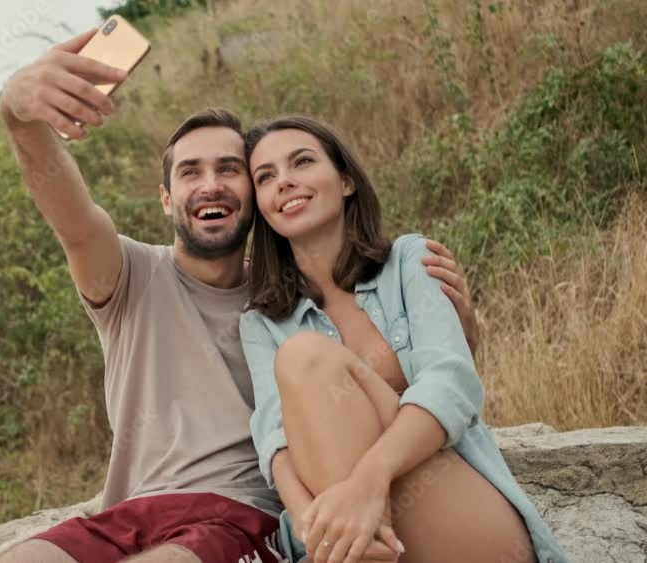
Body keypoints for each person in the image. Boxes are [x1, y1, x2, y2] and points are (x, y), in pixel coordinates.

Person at [0, 29, 477, 563]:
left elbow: (383, 381)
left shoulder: (290, 298)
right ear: (165, 197)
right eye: (190, 172)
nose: (211, 184)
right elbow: (74, 221)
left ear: (254, 192)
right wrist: (22, 121)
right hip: (127, 513)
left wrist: (461, 327)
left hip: (240, 516)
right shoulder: (128, 274)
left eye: (230, 169)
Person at [239, 115, 572, 563]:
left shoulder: (410, 261)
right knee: (301, 358)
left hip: (455, 507)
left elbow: (450, 382)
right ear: (260, 204)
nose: (285, 182)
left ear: (346, 182)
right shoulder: (260, 323)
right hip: (352, 540)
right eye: (266, 177)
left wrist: (368, 483)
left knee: (305, 356)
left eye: (302, 162)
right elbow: (275, 443)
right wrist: (312, 525)